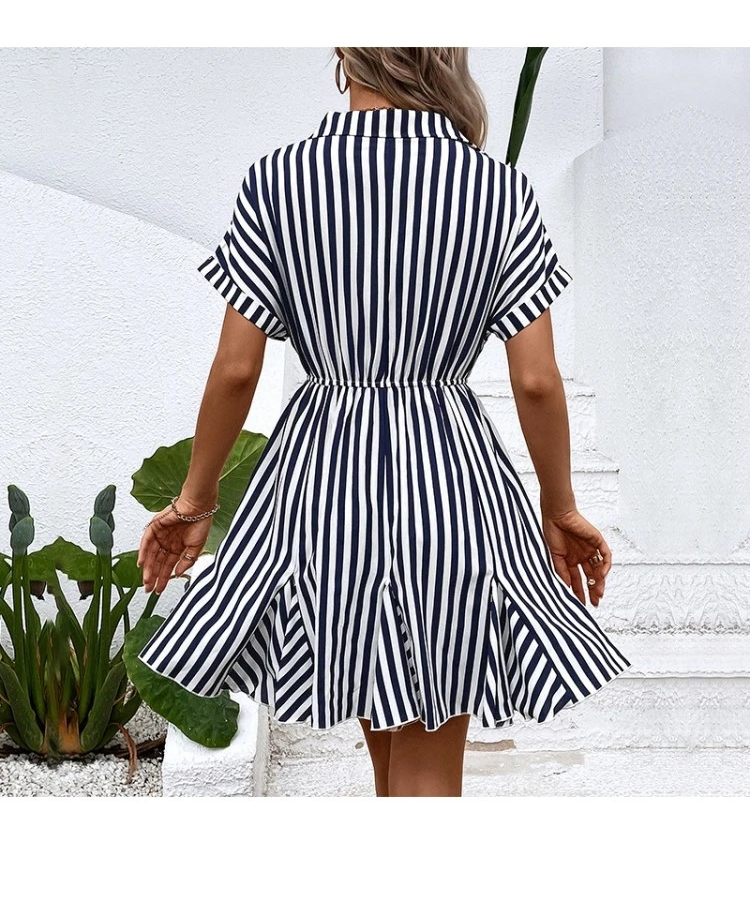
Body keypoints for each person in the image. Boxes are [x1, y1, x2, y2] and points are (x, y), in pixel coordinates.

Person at [136, 48, 631, 798]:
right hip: (449, 485)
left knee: (390, 758)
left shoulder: (280, 180)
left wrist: (194, 501)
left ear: (346, 50)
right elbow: (535, 379)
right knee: (426, 761)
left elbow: (237, 369)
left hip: (323, 490)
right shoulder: (495, 188)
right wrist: (559, 505)